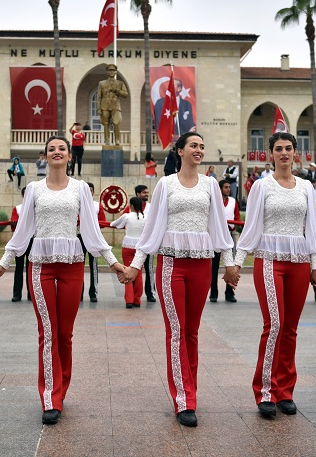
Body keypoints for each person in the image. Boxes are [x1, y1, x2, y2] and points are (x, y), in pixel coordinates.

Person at [0, 136, 124, 425]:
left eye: (62, 148)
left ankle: (61, 387)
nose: (57, 152)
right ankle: (50, 397)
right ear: (45, 156)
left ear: (70, 156)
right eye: (52, 149)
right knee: (47, 332)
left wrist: (113, 262)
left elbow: (91, 231)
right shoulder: (34, 189)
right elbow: (23, 231)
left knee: (65, 334)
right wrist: (3, 264)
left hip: (72, 264)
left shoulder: (80, 188)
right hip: (41, 266)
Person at [123, 132, 238, 428]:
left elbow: (219, 226)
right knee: (176, 331)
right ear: (180, 151)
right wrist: (135, 265)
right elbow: (153, 227)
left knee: (192, 332)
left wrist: (229, 263)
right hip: (171, 264)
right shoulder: (166, 184)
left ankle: (191, 390)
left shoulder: (210, 185)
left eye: (202, 146)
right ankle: (183, 400)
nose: (199, 150)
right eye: (193, 146)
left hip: (201, 264)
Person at [233, 132, 316, 419]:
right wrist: (237, 263)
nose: (284, 153)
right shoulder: (262, 186)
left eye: (288, 148)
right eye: (278, 149)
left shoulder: (306, 186)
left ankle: (285, 391)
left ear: (295, 152)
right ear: (270, 154)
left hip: (299, 261)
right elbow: (252, 227)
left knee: (290, 328)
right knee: (274, 324)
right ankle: (265, 391)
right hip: (269, 260)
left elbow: (312, 228)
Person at [111, 197, 147, 308]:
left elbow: (115, 224)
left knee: (126, 271)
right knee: (138, 273)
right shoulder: (145, 217)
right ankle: (137, 300)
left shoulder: (127, 216)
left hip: (127, 246)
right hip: (140, 247)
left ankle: (129, 300)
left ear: (131, 205)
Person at [121, 185, 155, 302]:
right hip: (135, 243)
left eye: (147, 192)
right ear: (137, 194)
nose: (146, 194)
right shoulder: (129, 209)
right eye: (144, 192)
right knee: (136, 270)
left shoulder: (151, 207)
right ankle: (134, 297)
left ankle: (150, 293)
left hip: (148, 243)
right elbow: (124, 222)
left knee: (149, 268)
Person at [210, 179, 240, 303]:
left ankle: (229, 292)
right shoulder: (214, 202)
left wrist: (233, 225)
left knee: (230, 264)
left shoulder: (233, 201)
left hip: (229, 234)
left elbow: (237, 217)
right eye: (226, 187)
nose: (228, 189)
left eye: (229, 187)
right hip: (216, 235)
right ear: (220, 189)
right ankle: (213, 293)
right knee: (214, 266)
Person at [81, 182, 107, 302]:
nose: (89, 192)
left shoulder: (97, 205)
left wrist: (93, 225)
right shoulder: (78, 203)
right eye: (87, 190)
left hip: (93, 237)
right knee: (79, 265)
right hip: (80, 237)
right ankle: (79, 293)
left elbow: (103, 221)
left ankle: (93, 293)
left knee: (94, 266)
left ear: (93, 192)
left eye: (91, 190)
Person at [97, 63, 128, 145]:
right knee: (105, 124)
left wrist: (118, 91)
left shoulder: (120, 83)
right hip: (105, 106)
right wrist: (98, 108)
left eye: (113, 70)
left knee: (116, 123)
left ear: (115, 72)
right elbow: (99, 97)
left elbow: (126, 94)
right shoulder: (101, 83)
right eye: (110, 70)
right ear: (107, 72)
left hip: (115, 105)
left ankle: (117, 140)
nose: (111, 72)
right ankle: (107, 140)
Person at [10, 187, 31, 302]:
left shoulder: (35, 208)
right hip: (20, 240)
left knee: (31, 268)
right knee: (19, 267)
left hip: (32, 240)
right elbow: (13, 225)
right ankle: (17, 294)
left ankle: (31, 294)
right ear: (23, 195)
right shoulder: (17, 208)